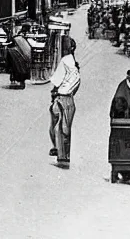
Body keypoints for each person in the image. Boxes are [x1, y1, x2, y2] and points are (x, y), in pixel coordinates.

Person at [49, 37, 80, 167]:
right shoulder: (73, 63)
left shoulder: (65, 61)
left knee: (59, 127)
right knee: (65, 128)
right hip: (69, 99)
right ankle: (63, 154)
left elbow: (56, 81)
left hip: (61, 97)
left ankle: (61, 154)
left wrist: (54, 91)